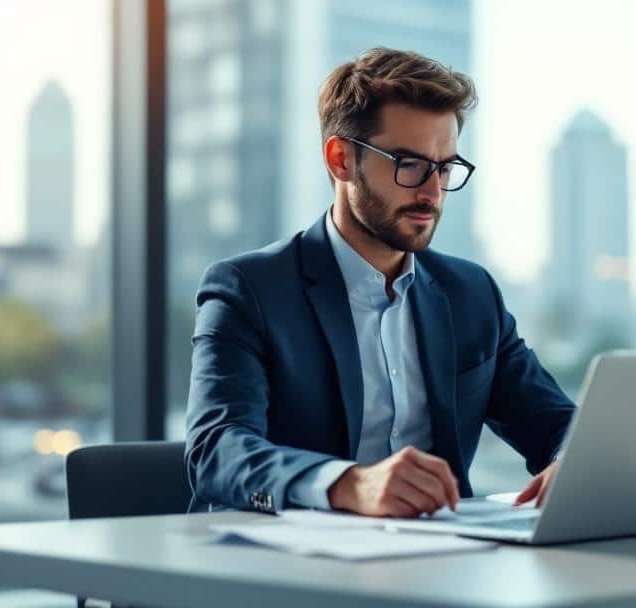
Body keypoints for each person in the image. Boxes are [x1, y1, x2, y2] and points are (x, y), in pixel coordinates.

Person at [185, 47, 576, 518]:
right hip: (284, 568)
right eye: (409, 164)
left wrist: (572, 461)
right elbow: (217, 450)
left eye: (445, 167)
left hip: (439, 566)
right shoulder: (249, 289)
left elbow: (557, 424)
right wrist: (349, 485)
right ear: (340, 159)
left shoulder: (470, 294)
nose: (432, 192)